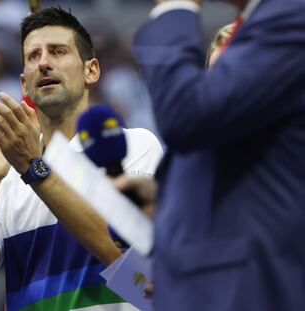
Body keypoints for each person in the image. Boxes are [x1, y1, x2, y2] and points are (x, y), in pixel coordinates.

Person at [0, 7, 163, 311]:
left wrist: (33, 169)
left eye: (58, 51)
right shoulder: (6, 175)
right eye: (33, 56)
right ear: (24, 84)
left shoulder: (133, 145)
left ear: (91, 70)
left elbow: (136, 273)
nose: (45, 63)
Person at [128, 0, 305, 310]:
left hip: (250, 290)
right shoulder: (263, 25)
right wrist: (165, 199)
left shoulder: (293, 15)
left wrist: (174, 7)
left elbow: (186, 116)